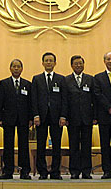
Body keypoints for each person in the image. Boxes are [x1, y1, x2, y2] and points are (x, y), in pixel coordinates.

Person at [31, 52, 67, 180]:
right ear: (42, 63)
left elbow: (64, 99)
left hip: (56, 118)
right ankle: (42, 172)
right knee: (41, 144)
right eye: (46, 60)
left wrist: (63, 116)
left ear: (55, 63)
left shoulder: (61, 79)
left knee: (56, 145)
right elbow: (33, 99)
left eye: (51, 61)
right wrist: (35, 115)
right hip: (41, 117)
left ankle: (55, 171)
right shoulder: (37, 79)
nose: (49, 63)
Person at [0, 59, 32, 180]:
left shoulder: (27, 84)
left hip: (23, 119)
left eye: (18, 67)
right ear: (10, 68)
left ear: (22, 69)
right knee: (8, 146)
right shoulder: (3, 83)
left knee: (24, 146)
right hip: (8, 119)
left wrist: (31, 118)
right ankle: (8, 171)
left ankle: (25, 171)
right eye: (14, 67)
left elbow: (30, 104)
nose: (16, 69)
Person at [65, 55, 95, 179]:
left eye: (80, 63)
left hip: (87, 118)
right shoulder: (66, 80)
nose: (78, 65)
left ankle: (87, 170)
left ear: (84, 64)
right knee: (74, 146)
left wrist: (95, 116)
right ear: (71, 65)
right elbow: (64, 101)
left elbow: (95, 99)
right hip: (72, 119)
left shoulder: (90, 79)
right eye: (76, 64)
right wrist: (64, 117)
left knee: (87, 145)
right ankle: (74, 170)